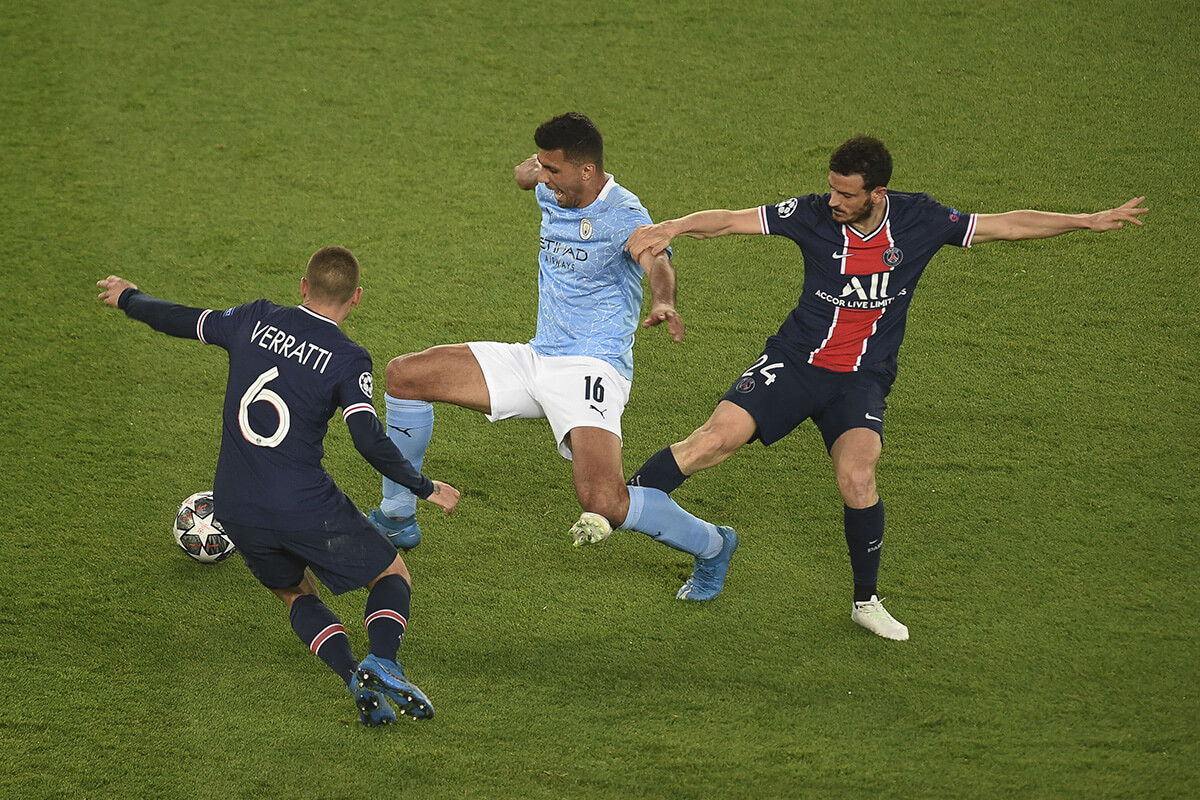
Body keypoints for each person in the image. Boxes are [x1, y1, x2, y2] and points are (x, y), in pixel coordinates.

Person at [623, 135, 1148, 640]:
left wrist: (1086, 220)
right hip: (796, 361)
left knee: (858, 477)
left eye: (846, 193)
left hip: (862, 380)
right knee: (712, 441)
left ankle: (865, 603)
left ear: (878, 193)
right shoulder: (811, 213)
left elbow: (1005, 226)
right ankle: (618, 507)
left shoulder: (919, 219)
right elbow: (734, 221)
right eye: (832, 188)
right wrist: (676, 225)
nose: (834, 201)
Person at [370, 112, 738, 601]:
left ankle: (713, 545)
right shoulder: (552, 186)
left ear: (587, 170)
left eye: (554, 170)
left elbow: (657, 261)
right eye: (543, 167)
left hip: (591, 368)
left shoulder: (625, 214)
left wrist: (664, 300)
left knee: (603, 500)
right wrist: (533, 171)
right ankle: (397, 518)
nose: (545, 179)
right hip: (536, 357)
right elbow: (526, 176)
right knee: (404, 375)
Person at [97, 246, 461, 725]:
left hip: (234, 505)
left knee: (295, 594)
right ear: (356, 299)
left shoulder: (253, 318)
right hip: (303, 502)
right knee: (392, 574)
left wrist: (129, 298)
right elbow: (368, 439)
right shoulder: (349, 359)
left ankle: (354, 677)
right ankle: (383, 661)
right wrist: (422, 485)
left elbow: (182, 319)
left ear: (304, 287)